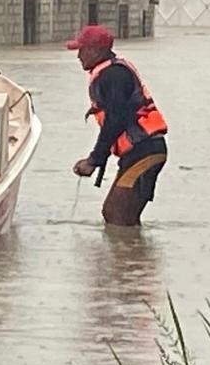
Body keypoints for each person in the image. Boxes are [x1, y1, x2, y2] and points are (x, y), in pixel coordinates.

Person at [68, 25, 168, 227]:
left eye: (82, 49)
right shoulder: (109, 72)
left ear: (98, 50)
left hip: (145, 151)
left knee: (116, 213)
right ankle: (131, 255)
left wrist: (94, 159)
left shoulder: (113, 75)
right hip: (141, 151)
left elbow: (115, 119)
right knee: (120, 215)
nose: (78, 56)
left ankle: (130, 256)